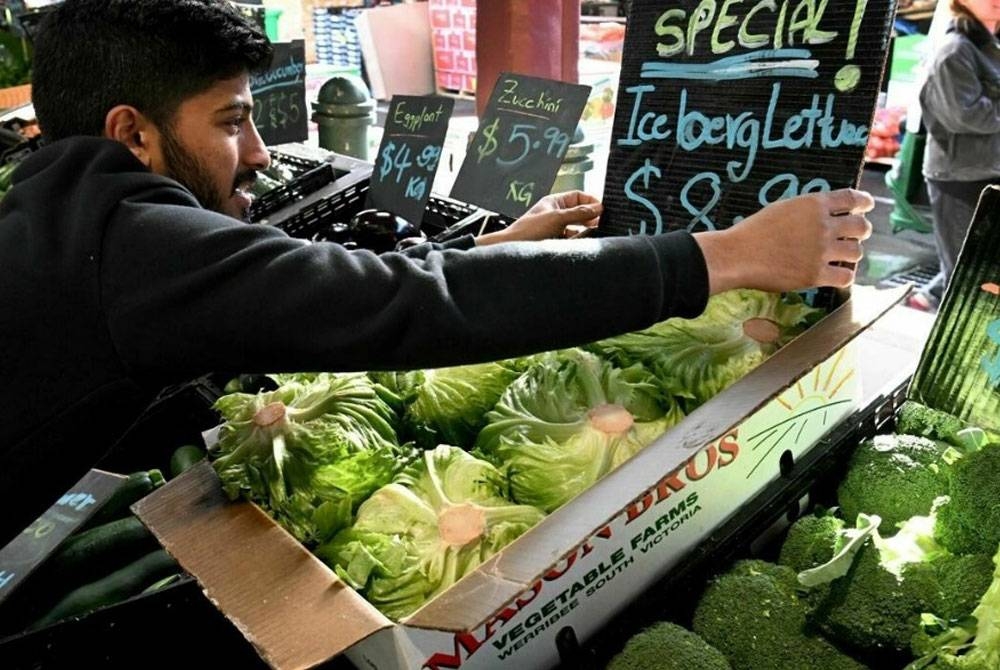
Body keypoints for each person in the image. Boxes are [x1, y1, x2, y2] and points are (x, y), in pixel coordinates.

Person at [0, 0, 873, 548]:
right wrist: (729, 255)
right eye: (232, 122)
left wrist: (489, 251)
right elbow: (399, 309)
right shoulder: (130, 247)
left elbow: (319, 283)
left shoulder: (64, 214)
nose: (260, 154)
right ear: (133, 135)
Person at [919, 0, 1000, 299]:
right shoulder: (955, 50)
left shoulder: (989, 46)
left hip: (989, 171)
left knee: (982, 268)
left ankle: (928, 297)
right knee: (966, 277)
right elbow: (964, 115)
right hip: (960, 179)